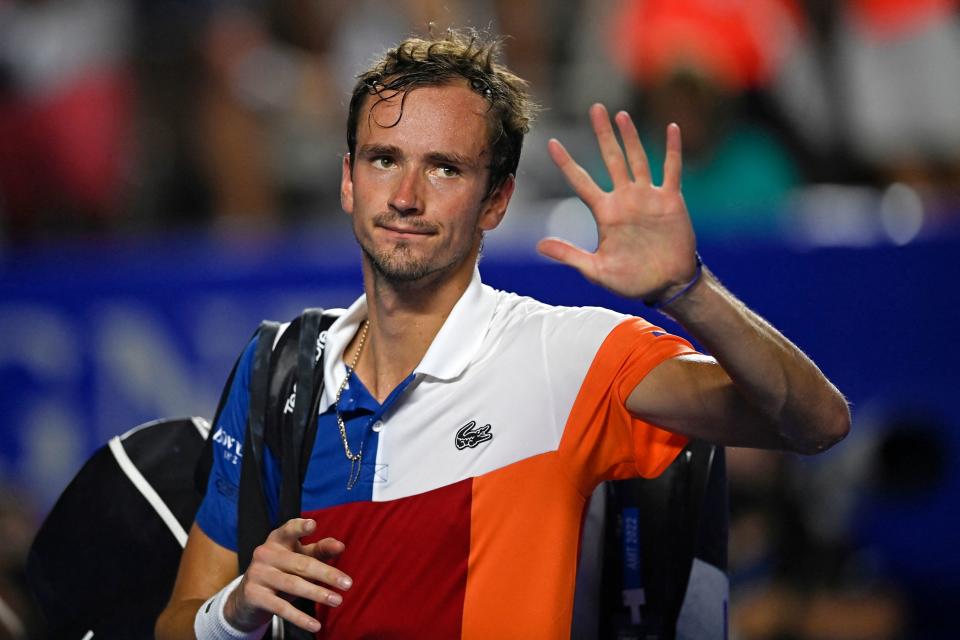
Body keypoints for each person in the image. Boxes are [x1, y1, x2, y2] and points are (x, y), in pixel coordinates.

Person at [156, 28, 850, 639]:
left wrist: (687, 291)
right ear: (347, 180)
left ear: (497, 200)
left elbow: (814, 422)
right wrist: (235, 611)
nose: (405, 196)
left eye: (445, 168)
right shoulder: (279, 368)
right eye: (383, 159)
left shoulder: (566, 357)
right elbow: (178, 619)